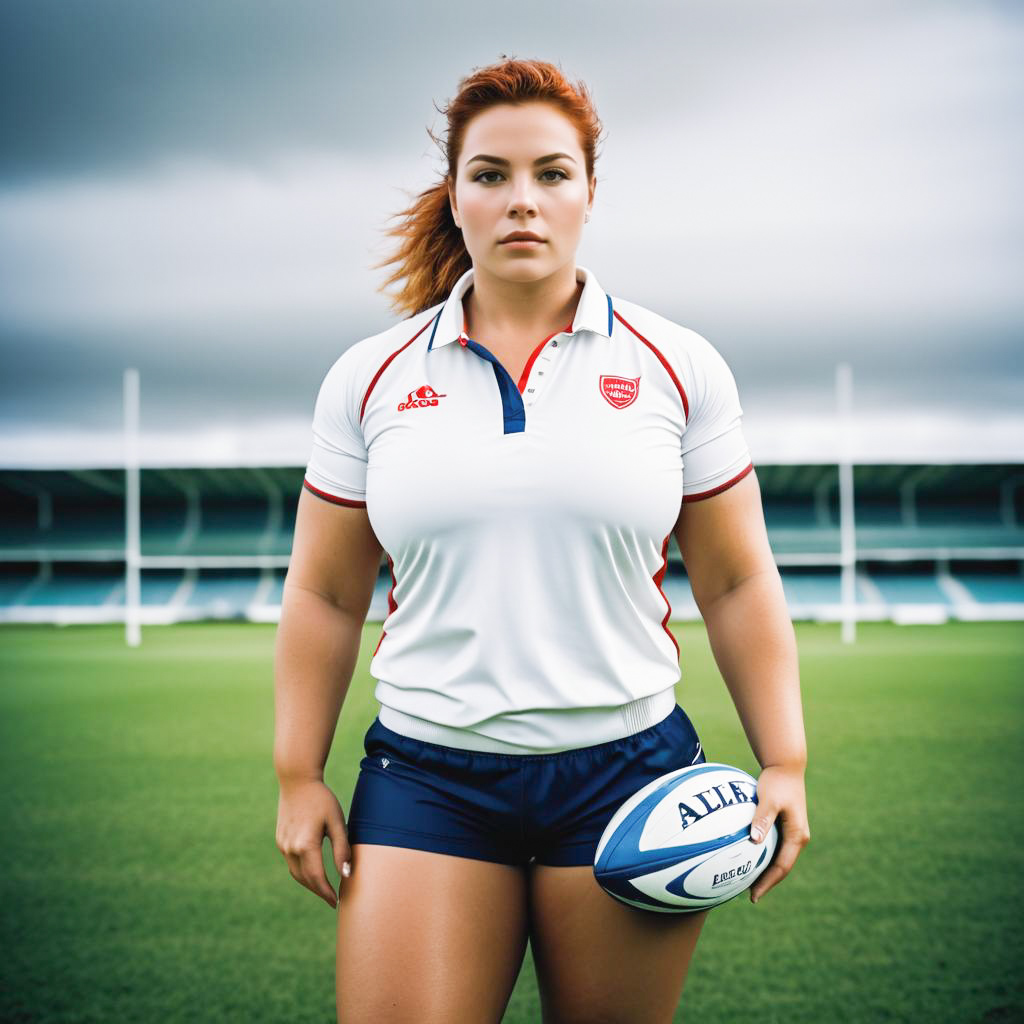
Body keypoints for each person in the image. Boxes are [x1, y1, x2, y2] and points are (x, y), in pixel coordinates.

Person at [274, 56, 809, 1024]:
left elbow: (733, 582)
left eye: (551, 174)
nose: (522, 199)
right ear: (454, 196)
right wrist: (296, 772)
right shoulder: (370, 376)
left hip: (628, 776)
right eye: (490, 174)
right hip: (428, 775)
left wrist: (786, 759)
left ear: (589, 194)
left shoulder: (676, 365)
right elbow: (324, 593)